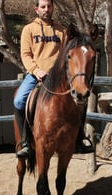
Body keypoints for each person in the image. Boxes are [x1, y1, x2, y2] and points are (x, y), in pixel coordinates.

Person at [14, 0, 94, 158]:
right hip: (36, 75)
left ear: (53, 8)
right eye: (43, 7)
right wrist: (36, 70)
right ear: (36, 9)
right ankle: (25, 142)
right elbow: (25, 55)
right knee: (19, 101)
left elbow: (69, 55)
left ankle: (80, 137)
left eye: (49, 6)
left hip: (58, 77)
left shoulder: (62, 31)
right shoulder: (28, 30)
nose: (46, 10)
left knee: (81, 99)